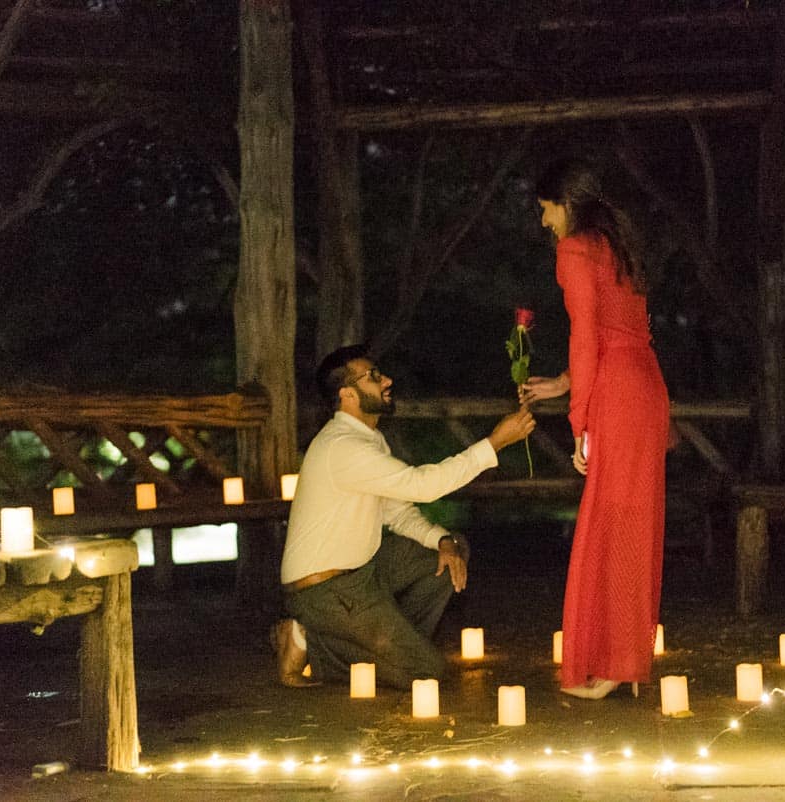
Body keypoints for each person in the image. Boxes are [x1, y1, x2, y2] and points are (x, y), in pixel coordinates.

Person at [275, 344, 536, 689]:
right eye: (374, 376)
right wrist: (494, 444)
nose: (387, 381)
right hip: (327, 588)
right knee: (425, 674)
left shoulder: (369, 440)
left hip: (364, 572)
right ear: (347, 395)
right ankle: (310, 641)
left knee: (451, 550)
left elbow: (396, 511)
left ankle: (389, 645)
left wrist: (441, 540)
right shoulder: (342, 446)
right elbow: (422, 486)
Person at [520, 158, 674, 700]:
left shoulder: (575, 249)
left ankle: (615, 666)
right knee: (631, 525)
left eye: (545, 210)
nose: (544, 222)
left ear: (566, 205)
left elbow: (587, 335)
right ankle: (622, 661)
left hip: (618, 400)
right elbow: (622, 333)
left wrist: (579, 419)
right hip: (645, 390)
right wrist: (566, 383)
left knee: (614, 530)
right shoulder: (617, 246)